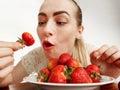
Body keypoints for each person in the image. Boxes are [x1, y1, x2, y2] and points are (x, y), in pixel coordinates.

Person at [0, 0, 120, 87]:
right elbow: (9, 83)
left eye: (60, 22)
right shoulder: (34, 57)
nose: (46, 30)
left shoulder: (96, 57)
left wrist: (107, 80)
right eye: (41, 22)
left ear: (79, 31)